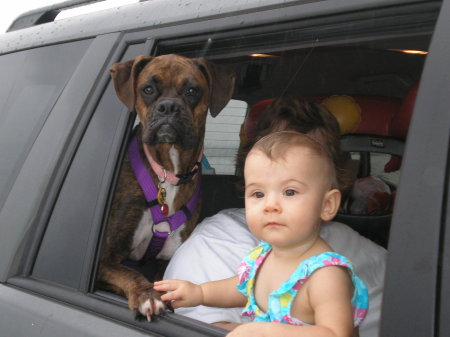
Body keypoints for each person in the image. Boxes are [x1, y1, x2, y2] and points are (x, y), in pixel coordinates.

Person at [162, 97, 386, 337]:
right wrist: (201, 293)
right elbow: (243, 287)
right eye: (259, 193)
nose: (271, 205)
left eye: (290, 190)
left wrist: (269, 332)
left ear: (328, 200)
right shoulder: (246, 248)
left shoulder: (327, 272)